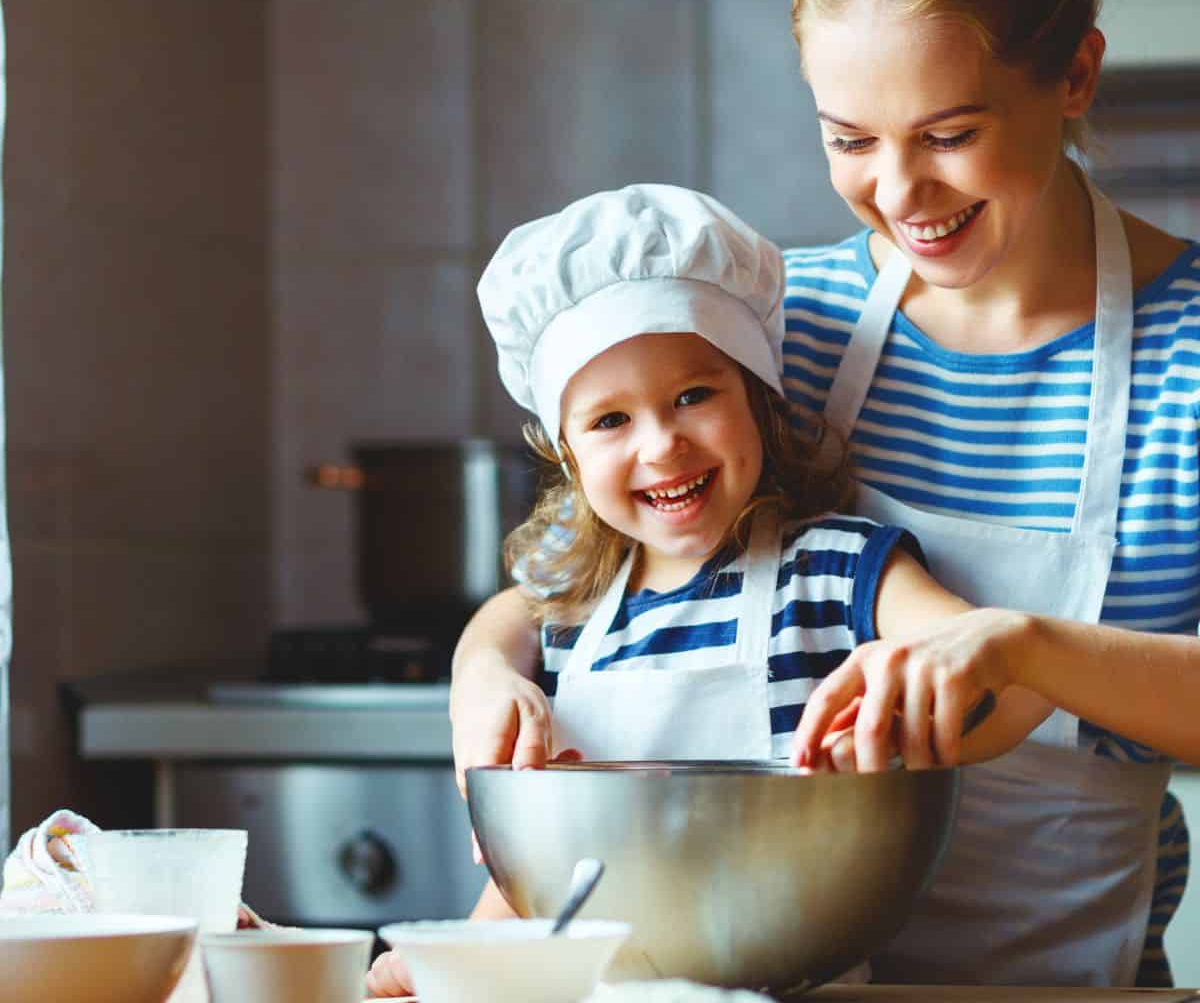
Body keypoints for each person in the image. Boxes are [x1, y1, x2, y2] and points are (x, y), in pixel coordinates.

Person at [445, 0, 1200, 991]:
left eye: (949, 133)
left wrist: (1035, 651)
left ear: (1075, 73)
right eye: (849, 139)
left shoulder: (1188, 356)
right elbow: (575, 584)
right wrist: (484, 676)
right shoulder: (773, 330)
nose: (900, 192)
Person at [365, 182, 1048, 999]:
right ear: (569, 458)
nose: (661, 445)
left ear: (757, 400)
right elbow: (547, 868)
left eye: (694, 395)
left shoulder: (833, 570)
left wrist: (933, 697)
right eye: (610, 421)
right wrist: (462, 962)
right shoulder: (578, 616)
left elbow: (1007, 669)